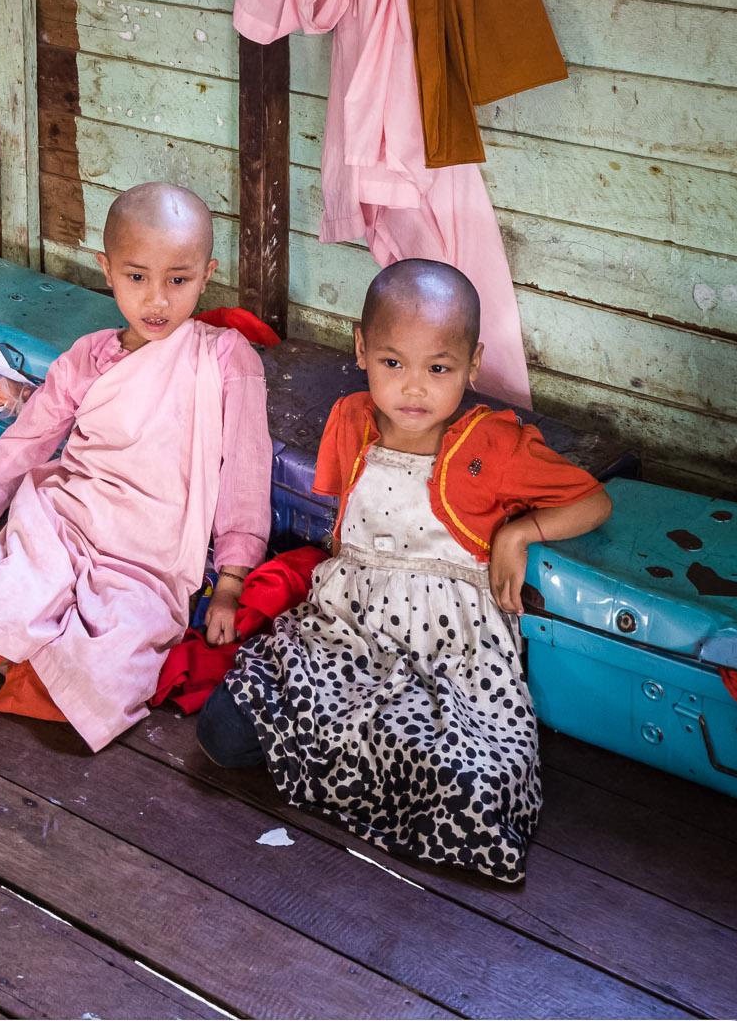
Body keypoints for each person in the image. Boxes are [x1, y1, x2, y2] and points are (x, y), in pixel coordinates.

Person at [197, 259, 612, 883]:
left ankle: (363, 773)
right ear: (362, 349)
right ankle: (360, 770)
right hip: (345, 629)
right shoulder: (350, 420)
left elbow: (594, 501)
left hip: (449, 653)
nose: (414, 388)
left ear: (472, 365)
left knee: (469, 786)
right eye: (393, 363)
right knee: (222, 733)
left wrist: (520, 530)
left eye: (438, 369)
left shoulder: (492, 446)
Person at [0, 183, 273, 753]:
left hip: (149, 562)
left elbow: (245, 470)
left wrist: (232, 580)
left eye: (178, 280)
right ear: (106, 269)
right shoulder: (88, 358)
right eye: (137, 277)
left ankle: (5, 653)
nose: (157, 300)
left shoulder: (224, 357)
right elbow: (20, 447)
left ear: (207, 274)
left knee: (98, 682)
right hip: (62, 527)